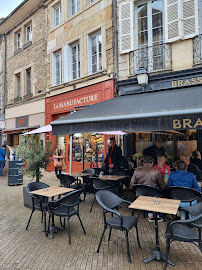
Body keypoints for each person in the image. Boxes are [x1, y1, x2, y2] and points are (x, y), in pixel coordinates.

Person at [130, 156, 165, 222]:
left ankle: (150, 214)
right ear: (152, 163)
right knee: (162, 194)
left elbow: (131, 184)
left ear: (143, 163)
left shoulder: (137, 171)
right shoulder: (156, 171)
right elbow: (162, 186)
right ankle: (158, 214)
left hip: (141, 194)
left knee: (147, 195)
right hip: (154, 194)